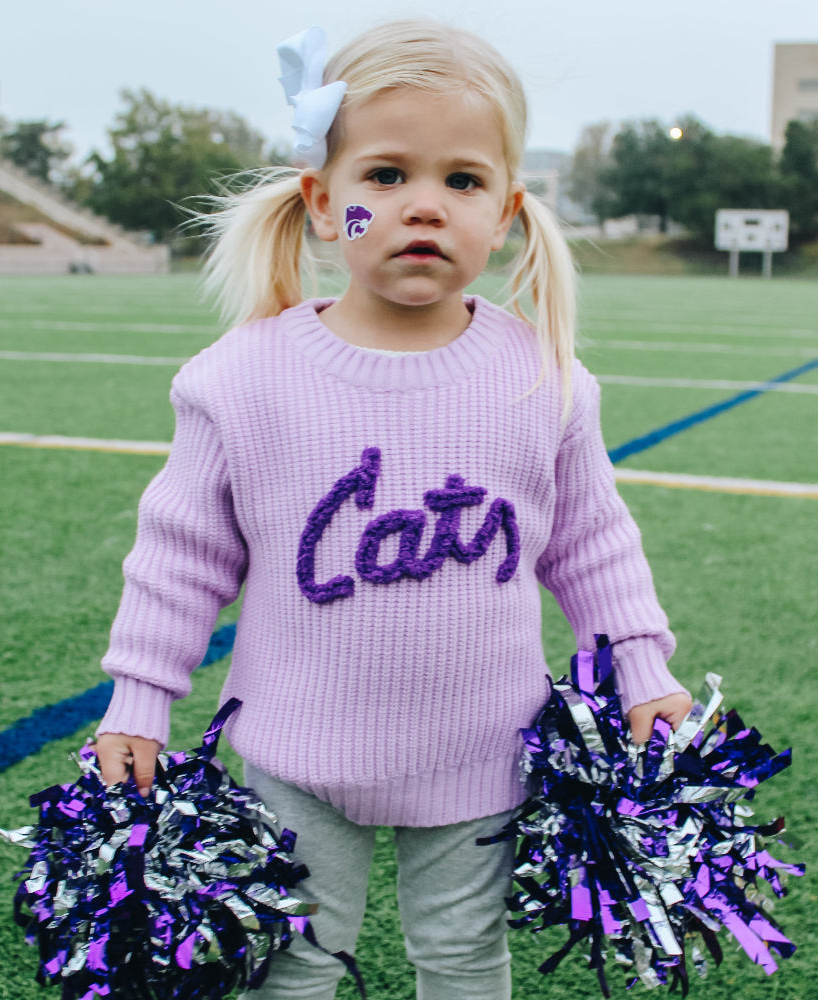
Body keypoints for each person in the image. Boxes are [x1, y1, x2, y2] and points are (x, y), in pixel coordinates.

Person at [94, 19, 691, 1000]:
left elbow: (592, 544)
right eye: (384, 177)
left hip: (482, 751)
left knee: (461, 963)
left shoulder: (541, 378)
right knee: (289, 965)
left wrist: (642, 669)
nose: (424, 205)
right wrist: (139, 702)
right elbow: (178, 557)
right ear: (324, 205)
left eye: (461, 180)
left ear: (504, 212)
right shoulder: (242, 378)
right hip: (293, 751)